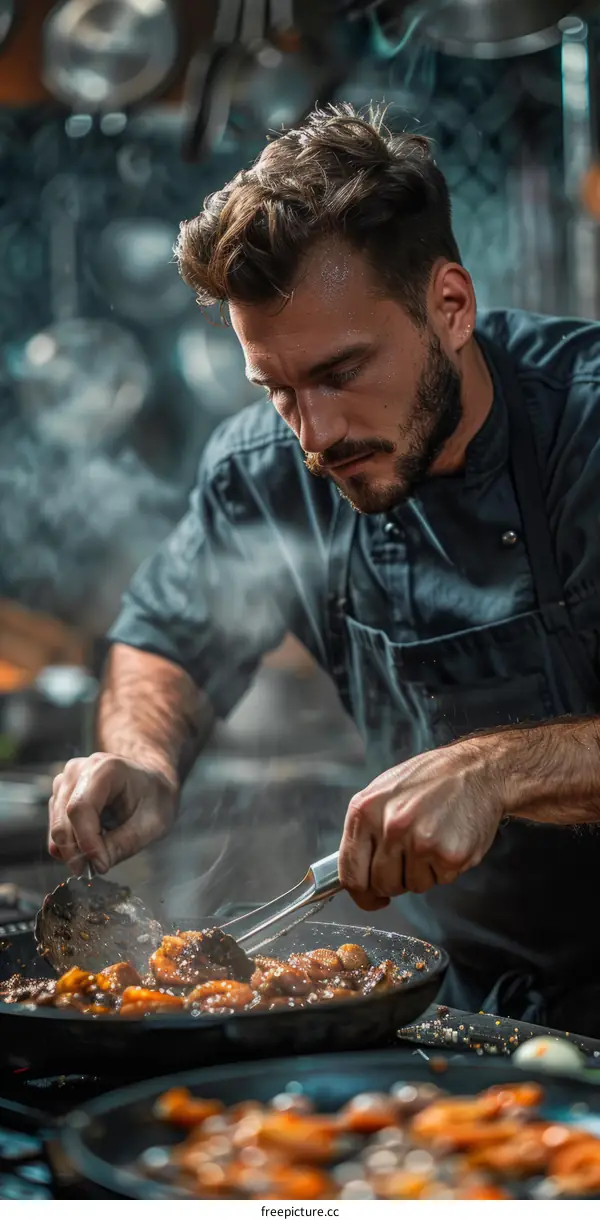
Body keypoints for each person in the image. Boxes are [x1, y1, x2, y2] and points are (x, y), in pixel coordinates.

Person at [49, 104, 600, 1033]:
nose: (316, 434)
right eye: (278, 389)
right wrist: (143, 756)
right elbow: (166, 639)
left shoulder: (587, 427)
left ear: (450, 307)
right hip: (472, 1010)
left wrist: (494, 772)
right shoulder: (264, 471)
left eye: (342, 373)